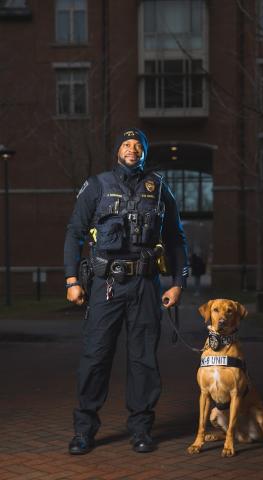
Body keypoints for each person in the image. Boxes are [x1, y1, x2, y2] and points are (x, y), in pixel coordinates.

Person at [64, 128, 188, 455]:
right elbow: (75, 233)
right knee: (95, 357)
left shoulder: (159, 188)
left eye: (138, 145)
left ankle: (142, 429)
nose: (132, 149)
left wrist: (178, 283)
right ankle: (84, 430)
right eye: (127, 144)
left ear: (144, 152)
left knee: (144, 359)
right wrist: (71, 281)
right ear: (118, 149)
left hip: (146, 285)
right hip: (106, 284)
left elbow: (176, 238)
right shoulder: (97, 185)